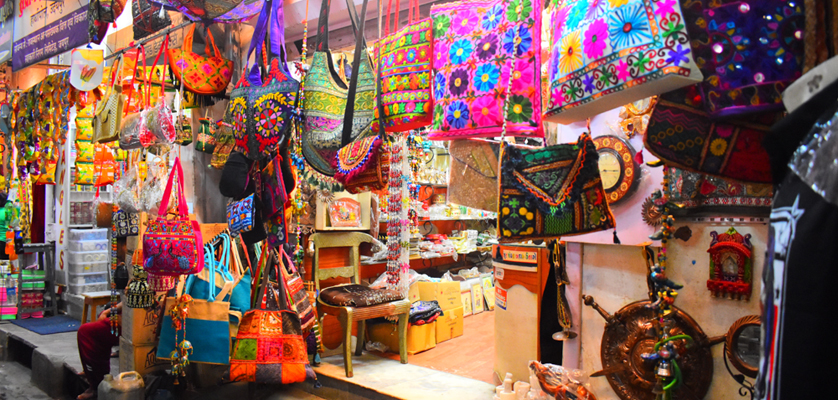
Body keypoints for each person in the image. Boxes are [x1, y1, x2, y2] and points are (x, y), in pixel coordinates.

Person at [76, 302, 121, 400]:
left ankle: (96, 384)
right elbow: (126, 302)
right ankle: (93, 372)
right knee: (106, 310)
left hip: (134, 320)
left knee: (86, 332)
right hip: (127, 314)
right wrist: (107, 312)